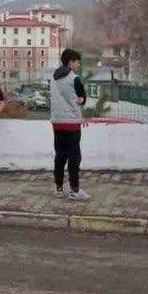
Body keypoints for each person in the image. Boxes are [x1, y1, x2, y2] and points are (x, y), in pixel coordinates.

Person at [50, 48, 91, 201]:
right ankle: (75, 190)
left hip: (56, 122)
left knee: (60, 156)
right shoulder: (74, 79)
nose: (78, 65)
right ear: (70, 62)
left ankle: (59, 188)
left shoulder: (53, 78)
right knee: (74, 157)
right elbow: (81, 99)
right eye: (76, 62)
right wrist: (78, 101)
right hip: (72, 122)